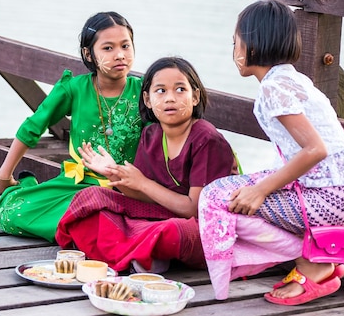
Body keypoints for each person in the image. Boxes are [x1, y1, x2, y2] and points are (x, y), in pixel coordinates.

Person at [198, 0, 344, 305]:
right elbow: (294, 150)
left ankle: (312, 262)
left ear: (253, 45)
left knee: (214, 199)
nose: (233, 50)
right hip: (338, 193)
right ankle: (315, 259)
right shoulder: (294, 81)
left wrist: (260, 189)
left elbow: (314, 149)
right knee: (232, 192)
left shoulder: (274, 89)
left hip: (325, 198)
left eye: (236, 41)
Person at [55, 56, 239, 273]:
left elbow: (195, 209)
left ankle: (134, 252)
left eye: (180, 89)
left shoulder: (207, 139)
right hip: (157, 216)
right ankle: (145, 254)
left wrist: (142, 183)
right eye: (160, 91)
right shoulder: (151, 134)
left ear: (195, 96)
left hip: (203, 225)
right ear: (148, 99)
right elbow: (139, 195)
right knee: (91, 197)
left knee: (174, 231)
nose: (170, 98)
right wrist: (115, 175)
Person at [0, 11, 144, 242]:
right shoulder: (74, 88)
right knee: (12, 215)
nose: (120, 55)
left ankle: (39, 194)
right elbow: (33, 126)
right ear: (88, 53)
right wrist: (4, 175)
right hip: (76, 185)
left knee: (105, 223)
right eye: (108, 48)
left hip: (127, 189)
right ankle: (21, 189)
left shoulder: (145, 92)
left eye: (125, 46)